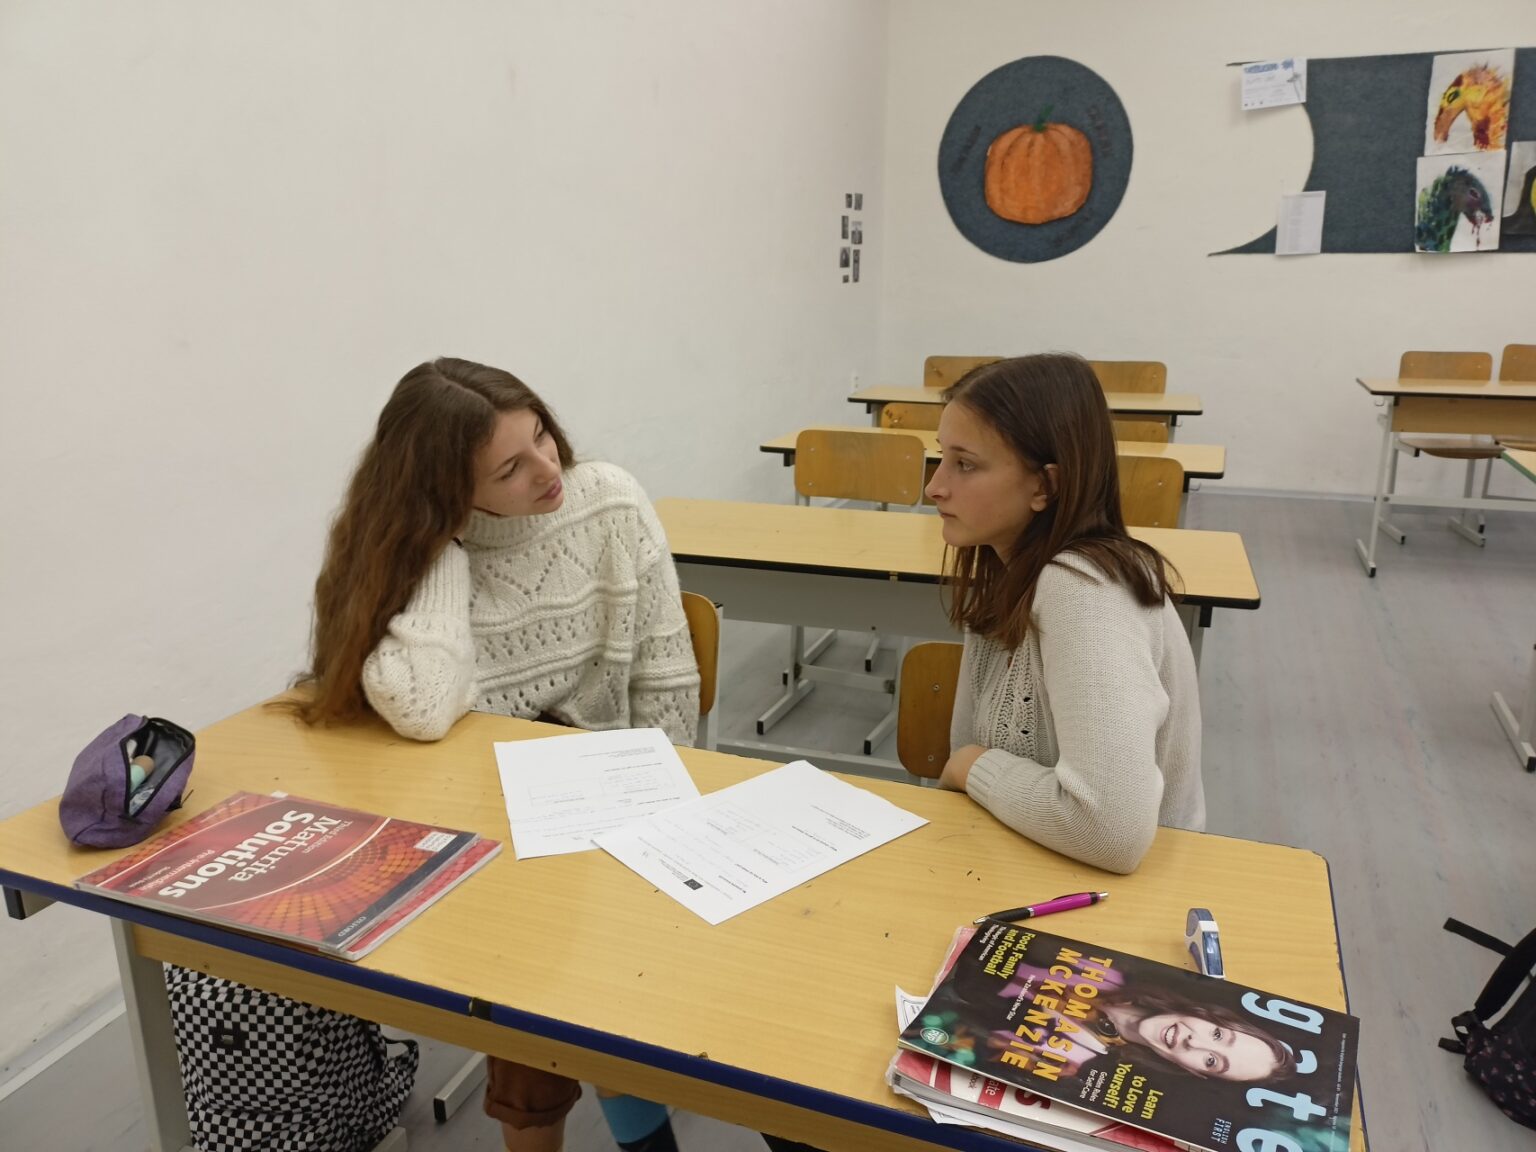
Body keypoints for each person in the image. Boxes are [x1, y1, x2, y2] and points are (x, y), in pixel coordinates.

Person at [292, 357, 700, 1152]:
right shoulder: (417, 555)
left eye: (542, 435)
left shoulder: (609, 501)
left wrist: (669, 819)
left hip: (618, 800)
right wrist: (441, 550)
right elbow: (420, 705)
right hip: (485, 830)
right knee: (534, 997)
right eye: (509, 469)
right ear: (447, 494)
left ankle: (638, 1128)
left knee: (593, 990)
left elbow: (666, 678)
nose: (547, 469)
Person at [923, 354, 1204, 875]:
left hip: (1138, 890)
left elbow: (1111, 831)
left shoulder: (1085, 590)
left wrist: (973, 768)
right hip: (1028, 857)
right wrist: (969, 765)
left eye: (965, 465)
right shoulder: (1003, 567)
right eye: (941, 458)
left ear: (1045, 487)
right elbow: (968, 749)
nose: (934, 487)